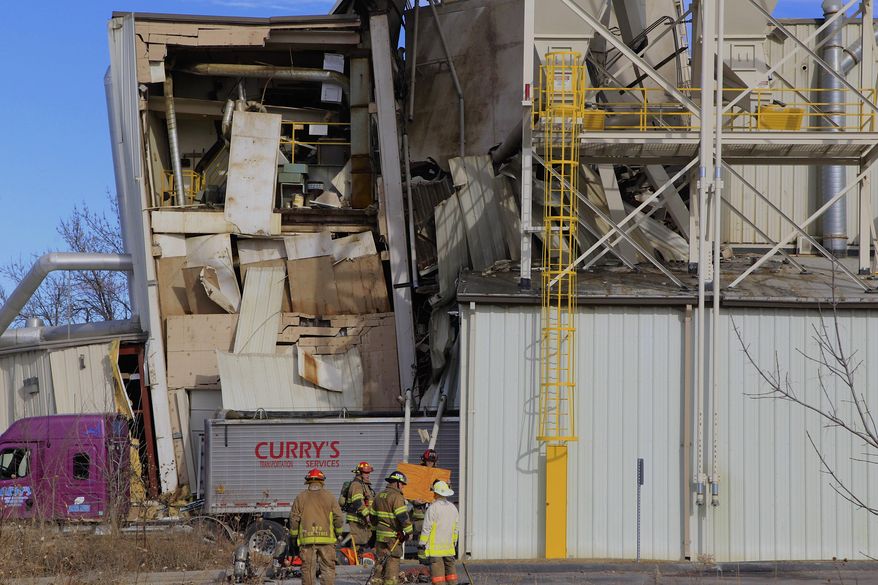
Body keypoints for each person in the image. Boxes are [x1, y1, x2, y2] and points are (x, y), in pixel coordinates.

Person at [289, 469, 344, 585]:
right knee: (328, 568)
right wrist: (338, 533)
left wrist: (293, 537)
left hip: (307, 540)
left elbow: (294, 520)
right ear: (322, 481)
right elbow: (338, 517)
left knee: (308, 569)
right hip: (327, 540)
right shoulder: (329, 496)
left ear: (308, 481)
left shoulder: (300, 497)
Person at [370, 470, 413, 585]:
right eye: (402, 484)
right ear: (398, 483)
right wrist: (409, 532)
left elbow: (372, 517)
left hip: (380, 536)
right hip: (392, 537)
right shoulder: (397, 496)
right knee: (392, 562)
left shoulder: (379, 495)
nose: (403, 487)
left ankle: (376, 582)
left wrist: (374, 533)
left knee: (380, 561)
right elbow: (402, 516)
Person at [418, 480, 459, 585]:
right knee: (451, 574)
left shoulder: (433, 508)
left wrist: (422, 544)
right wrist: (454, 542)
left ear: (436, 493)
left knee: (438, 577)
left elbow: (427, 528)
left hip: (435, 549)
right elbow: (456, 528)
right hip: (449, 548)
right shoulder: (453, 508)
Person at [411, 449, 438, 562]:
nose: (430, 463)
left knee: (433, 533)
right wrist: (415, 501)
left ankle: (430, 555)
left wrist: (447, 485)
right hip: (420, 512)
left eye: (432, 461)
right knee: (423, 534)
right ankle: (422, 557)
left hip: (433, 509)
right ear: (423, 460)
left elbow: (445, 491)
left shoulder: (438, 474)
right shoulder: (416, 473)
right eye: (428, 461)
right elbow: (409, 491)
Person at [344, 461, 375, 552]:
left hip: (362, 520)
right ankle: (353, 562)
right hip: (356, 519)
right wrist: (366, 515)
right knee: (356, 543)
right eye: (365, 472)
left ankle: (358, 560)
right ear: (359, 472)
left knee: (362, 542)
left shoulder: (364, 485)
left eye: (369, 472)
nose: (368, 474)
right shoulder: (356, 485)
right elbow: (357, 501)